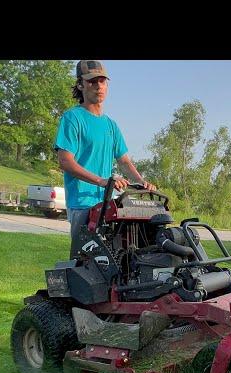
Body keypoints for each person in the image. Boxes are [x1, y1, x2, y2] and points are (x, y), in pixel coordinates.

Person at [53, 60, 156, 258]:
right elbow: (65, 161)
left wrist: (141, 182)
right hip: (83, 204)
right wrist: (101, 181)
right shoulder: (73, 118)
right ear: (80, 85)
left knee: (118, 259)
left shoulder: (111, 125)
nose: (98, 86)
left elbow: (124, 161)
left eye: (102, 81)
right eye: (92, 81)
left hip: (108, 204)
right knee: (85, 262)